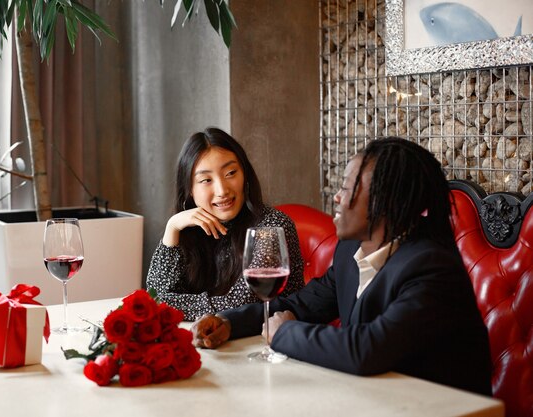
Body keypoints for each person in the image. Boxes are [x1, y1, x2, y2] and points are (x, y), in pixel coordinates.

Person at [191, 137, 493, 396]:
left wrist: (284, 334)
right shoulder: (351, 252)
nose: (336, 197)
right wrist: (228, 323)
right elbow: (302, 304)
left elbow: (367, 350)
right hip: (375, 401)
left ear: (384, 201)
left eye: (348, 189)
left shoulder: (432, 269)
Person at [146, 127, 304, 321]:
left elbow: (238, 305)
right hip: (216, 342)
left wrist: (168, 304)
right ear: (189, 190)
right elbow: (154, 294)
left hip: (267, 341)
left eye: (230, 173)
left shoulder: (271, 227)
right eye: (206, 180)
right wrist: (172, 227)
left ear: (244, 174)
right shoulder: (190, 229)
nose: (222, 190)